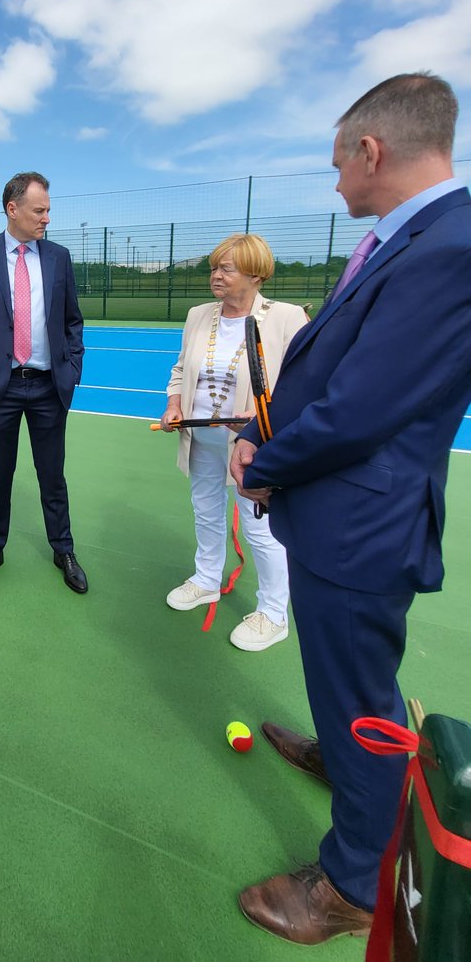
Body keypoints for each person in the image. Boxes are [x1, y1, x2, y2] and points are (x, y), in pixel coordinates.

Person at [230, 73, 471, 945]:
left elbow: (363, 407)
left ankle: (351, 883)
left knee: (362, 690)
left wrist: (268, 466)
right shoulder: (425, 235)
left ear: (372, 152)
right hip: (348, 511)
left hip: (360, 521)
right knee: (350, 682)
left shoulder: (449, 245)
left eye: (339, 164)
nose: (335, 183)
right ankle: (345, 756)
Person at [159, 235, 306, 650]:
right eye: (214, 268)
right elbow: (182, 369)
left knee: (261, 529)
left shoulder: (287, 318)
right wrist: (174, 405)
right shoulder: (198, 315)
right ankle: (206, 579)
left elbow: (304, 384)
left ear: (256, 274)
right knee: (205, 511)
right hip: (201, 438)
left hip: (254, 446)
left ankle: (274, 613)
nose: (216, 276)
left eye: (227, 269)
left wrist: (262, 421)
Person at [0, 171, 87, 594]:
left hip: (48, 386)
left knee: (52, 475)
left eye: (48, 210)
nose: (46, 218)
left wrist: (72, 367)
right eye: (39, 210)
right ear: (13, 209)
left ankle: (63, 549)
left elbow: (72, 320)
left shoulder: (59, 257)